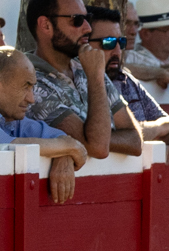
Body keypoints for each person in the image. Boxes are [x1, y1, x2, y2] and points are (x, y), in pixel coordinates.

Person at [88, 6, 169, 178]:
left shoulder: (126, 79)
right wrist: (159, 128)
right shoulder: (75, 82)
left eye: (121, 43)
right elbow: (106, 136)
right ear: (83, 44)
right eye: (108, 43)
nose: (117, 51)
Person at [25, 0, 142, 158]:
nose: (88, 28)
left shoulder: (86, 64)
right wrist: (96, 78)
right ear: (46, 25)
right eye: (77, 20)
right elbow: (98, 148)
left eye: (88, 18)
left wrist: (89, 139)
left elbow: (135, 141)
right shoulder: (29, 81)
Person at [0, 46, 87, 203]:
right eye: (25, 86)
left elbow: (59, 138)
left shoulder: (12, 120)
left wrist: (63, 155)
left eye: (32, 88)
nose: (31, 99)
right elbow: (7, 145)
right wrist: (68, 147)